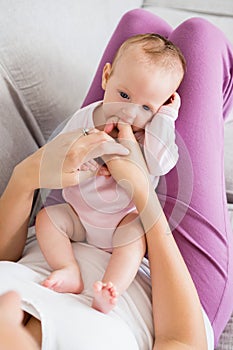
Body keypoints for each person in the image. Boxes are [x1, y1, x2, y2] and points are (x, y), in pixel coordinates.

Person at [0, 7, 232, 350]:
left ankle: (202, 111)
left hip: (67, 221)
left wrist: (26, 176)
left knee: (138, 27)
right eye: (123, 99)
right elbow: (182, 339)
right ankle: (210, 111)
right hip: (162, 270)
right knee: (201, 38)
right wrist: (144, 176)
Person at [35, 33, 186, 314]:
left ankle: (109, 288)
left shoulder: (150, 134)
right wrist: (84, 162)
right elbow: (61, 153)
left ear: (162, 105)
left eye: (146, 108)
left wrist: (165, 119)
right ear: (106, 77)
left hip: (121, 220)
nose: (129, 112)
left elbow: (161, 163)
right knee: (47, 219)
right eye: (124, 95)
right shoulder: (86, 118)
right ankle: (67, 268)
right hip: (77, 215)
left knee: (136, 235)